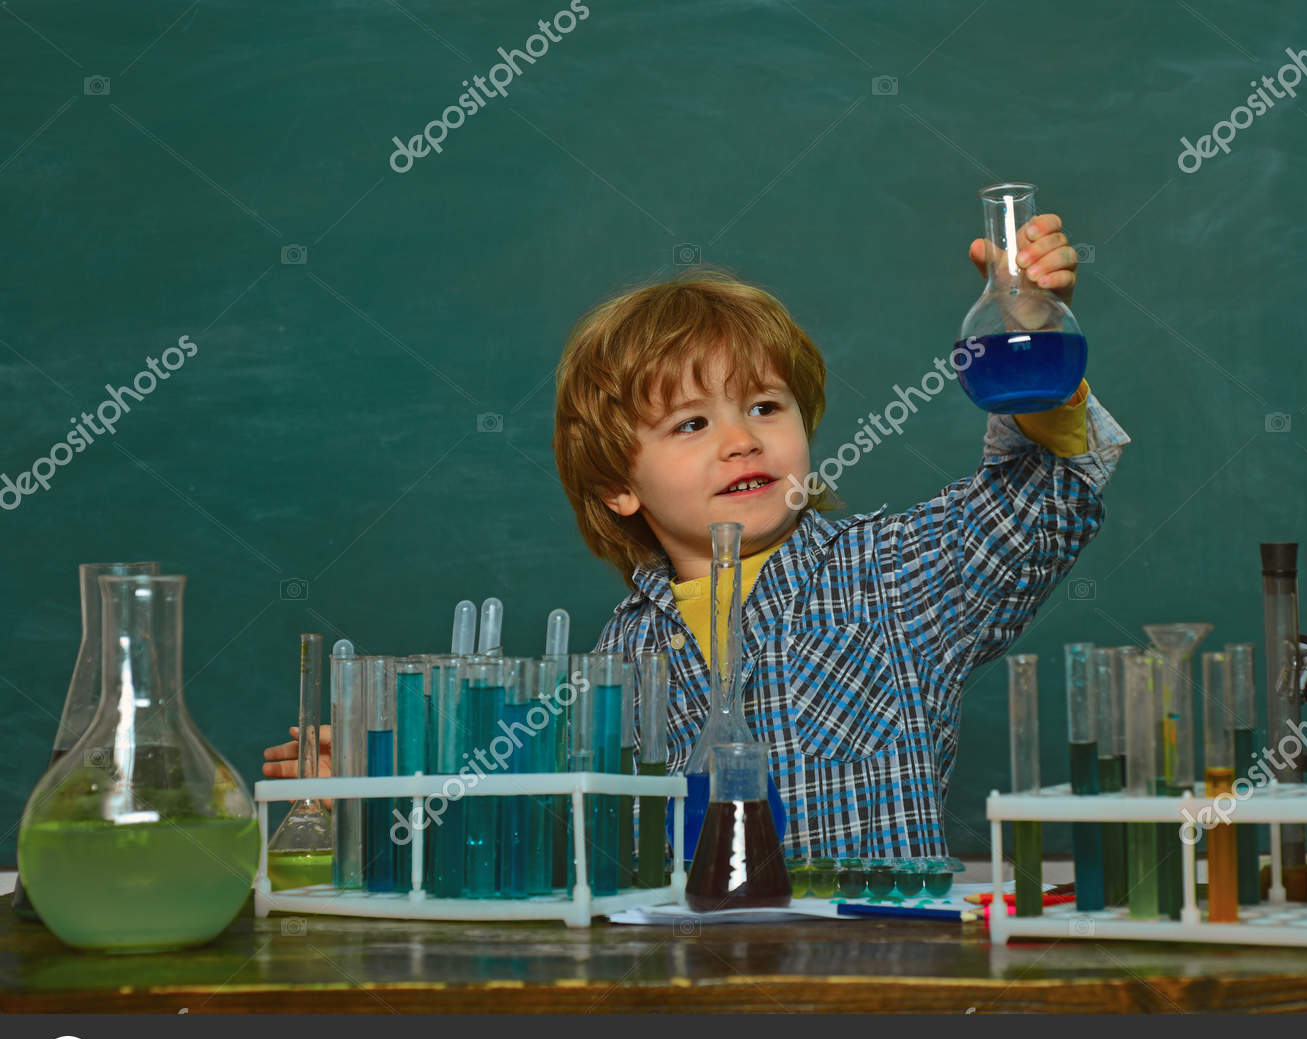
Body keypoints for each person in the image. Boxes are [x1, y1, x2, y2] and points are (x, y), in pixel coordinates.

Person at [263, 212, 1128, 859]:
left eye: (764, 406)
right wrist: (386, 781)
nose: (740, 440)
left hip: (880, 979)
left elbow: (1039, 495)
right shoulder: (621, 654)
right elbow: (544, 819)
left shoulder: (894, 575)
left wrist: (1037, 339)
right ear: (617, 490)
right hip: (687, 984)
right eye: (689, 424)